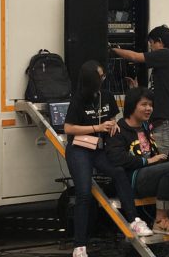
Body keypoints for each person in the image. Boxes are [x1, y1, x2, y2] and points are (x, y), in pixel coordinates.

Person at [63, 60, 152, 257]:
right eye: (100, 76)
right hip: (79, 148)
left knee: (119, 171)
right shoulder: (78, 99)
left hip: (99, 148)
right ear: (91, 79)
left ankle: (134, 220)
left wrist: (113, 124)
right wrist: (97, 127)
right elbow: (68, 128)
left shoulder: (107, 96)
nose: (103, 78)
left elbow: (113, 117)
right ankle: (79, 246)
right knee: (84, 192)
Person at [106, 88, 169, 235]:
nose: (149, 108)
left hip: (151, 174)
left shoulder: (145, 126)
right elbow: (117, 158)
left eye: (150, 105)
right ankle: (160, 221)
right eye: (144, 104)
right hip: (133, 180)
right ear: (132, 106)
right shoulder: (118, 129)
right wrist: (148, 161)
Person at [111, 25, 169, 154]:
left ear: (159, 41)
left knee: (163, 160)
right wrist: (136, 89)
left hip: (165, 124)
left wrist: (113, 50)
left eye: (151, 44)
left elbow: (135, 57)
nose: (151, 48)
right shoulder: (166, 61)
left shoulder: (166, 55)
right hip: (162, 123)